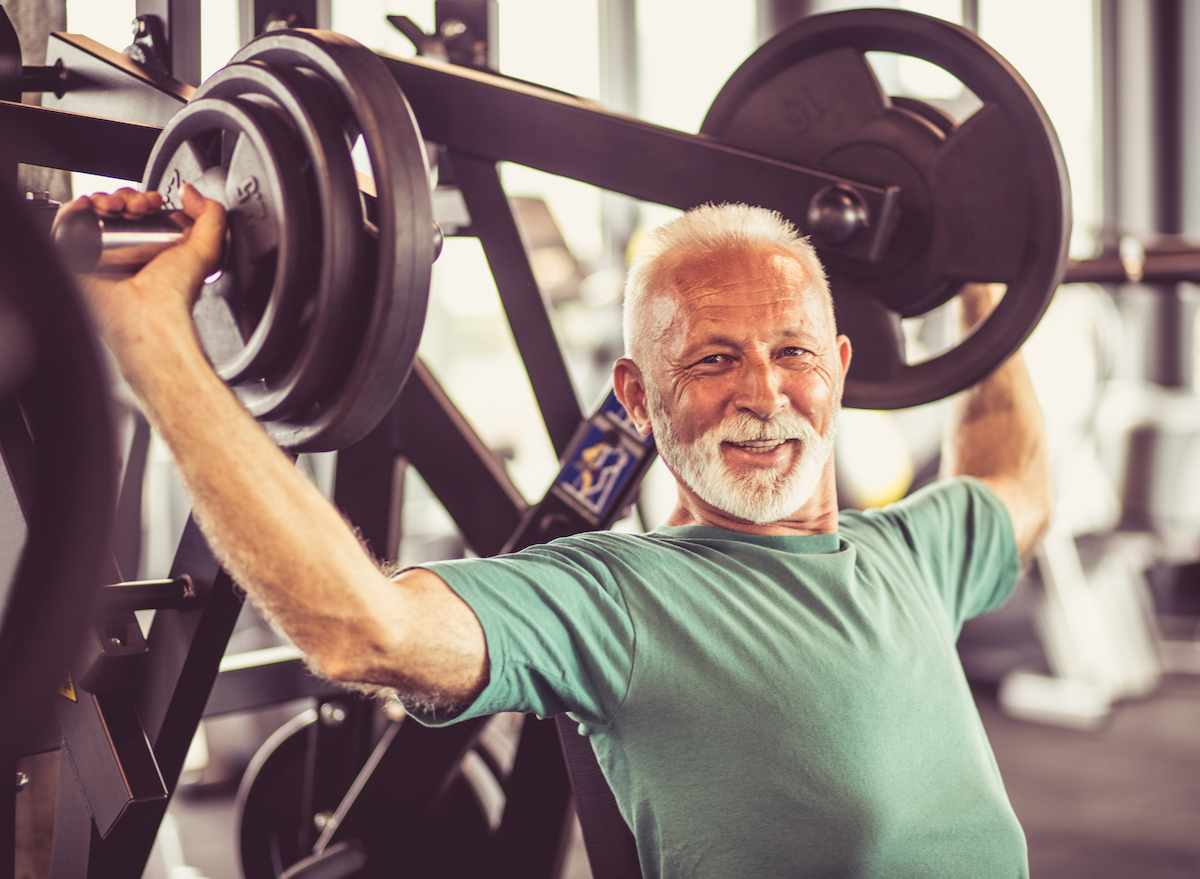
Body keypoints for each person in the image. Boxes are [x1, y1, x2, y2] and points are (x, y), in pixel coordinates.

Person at [69, 186, 1051, 878]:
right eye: (712, 359)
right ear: (639, 394)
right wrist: (153, 341)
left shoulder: (914, 552)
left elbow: (1016, 480)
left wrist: (983, 278)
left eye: (791, 351)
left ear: (835, 367)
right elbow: (360, 631)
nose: (763, 392)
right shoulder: (615, 598)